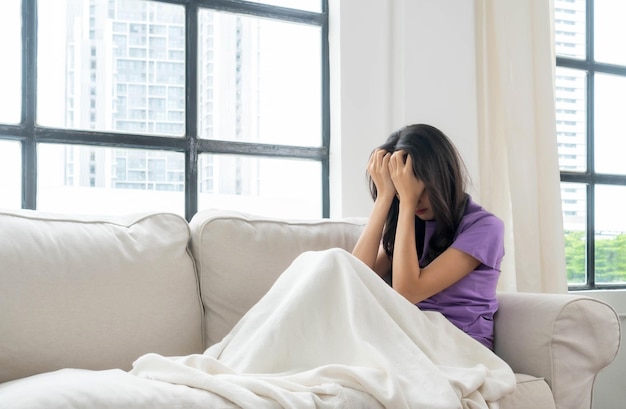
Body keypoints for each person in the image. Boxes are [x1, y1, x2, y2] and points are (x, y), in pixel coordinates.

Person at [352, 123, 505, 350]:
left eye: (420, 190)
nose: (416, 201)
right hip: (410, 337)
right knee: (330, 262)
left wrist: (407, 201)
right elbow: (353, 279)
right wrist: (384, 196)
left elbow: (407, 292)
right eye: (401, 190)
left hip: (458, 345)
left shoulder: (485, 227)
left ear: (442, 178)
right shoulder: (410, 226)